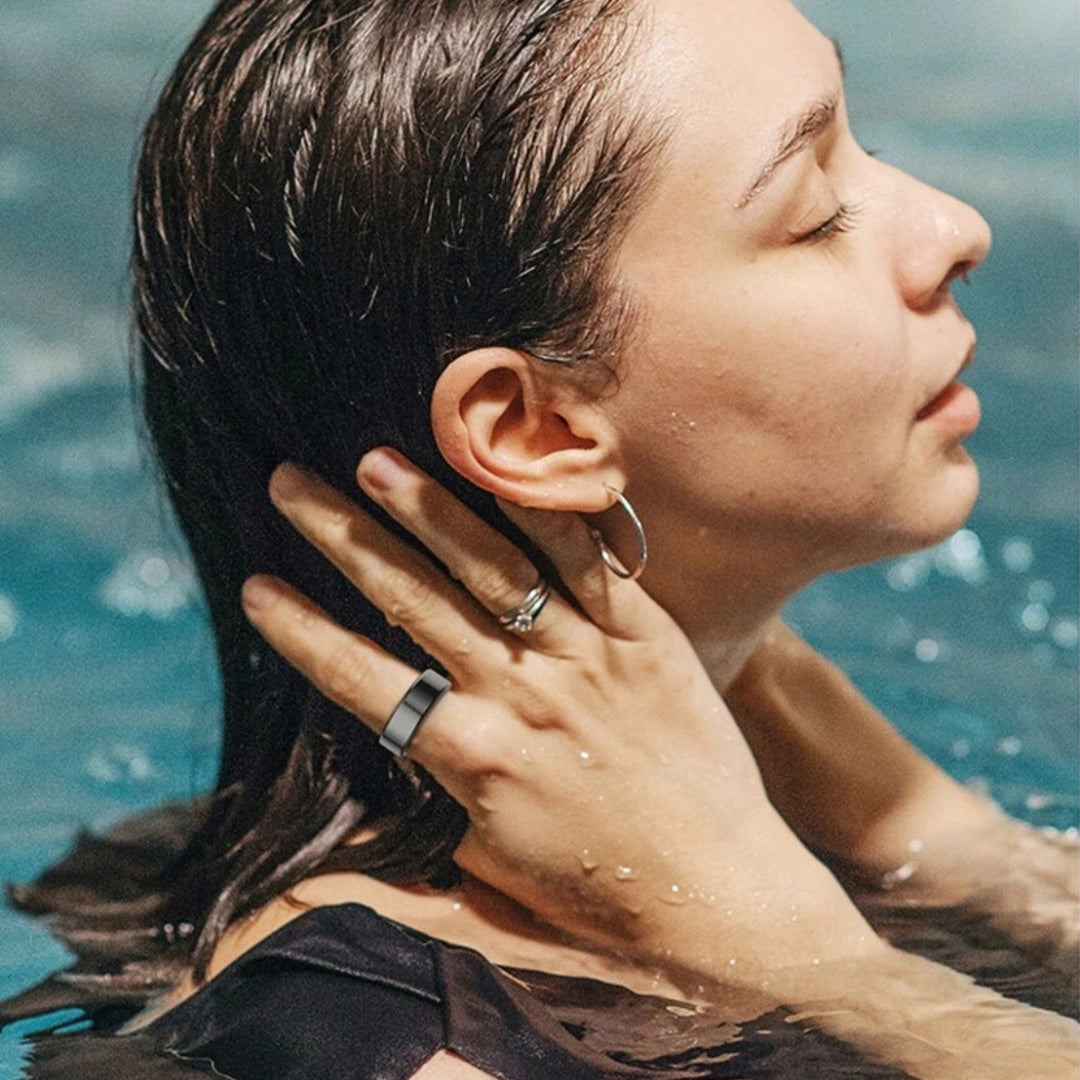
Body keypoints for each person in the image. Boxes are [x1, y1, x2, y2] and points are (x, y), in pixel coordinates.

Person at [3, 0, 1076, 1076]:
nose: (955, 227)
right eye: (814, 213)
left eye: (867, 144)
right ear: (537, 427)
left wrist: (947, 843)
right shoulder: (382, 1040)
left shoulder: (804, 790)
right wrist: (825, 971)